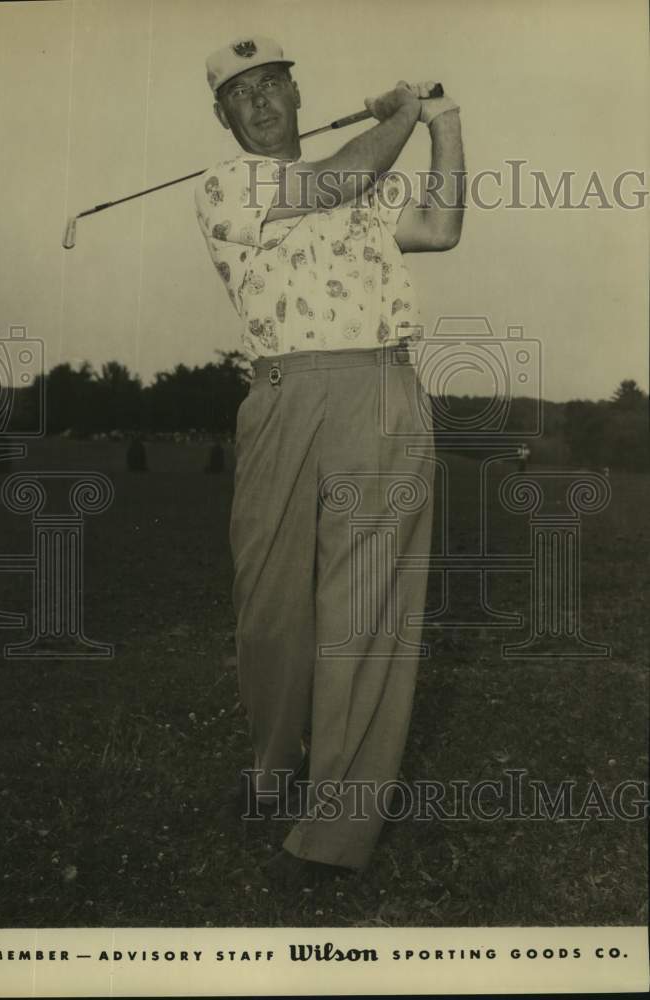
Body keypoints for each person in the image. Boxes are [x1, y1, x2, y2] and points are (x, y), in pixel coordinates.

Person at [195, 36, 464, 886]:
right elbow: (332, 181)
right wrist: (403, 114)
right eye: (241, 94)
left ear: (298, 95)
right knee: (270, 609)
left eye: (272, 84)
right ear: (224, 116)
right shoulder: (226, 185)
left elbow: (441, 226)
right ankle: (275, 764)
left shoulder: (363, 182)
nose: (260, 102)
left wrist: (443, 124)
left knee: (365, 610)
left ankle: (335, 828)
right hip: (282, 395)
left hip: (381, 390)